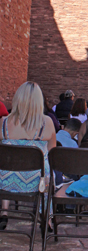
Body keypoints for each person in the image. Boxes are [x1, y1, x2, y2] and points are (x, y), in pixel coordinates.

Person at [0, 81, 56, 230]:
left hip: (4, 181)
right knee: (48, 172)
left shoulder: (4, 123)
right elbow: (52, 151)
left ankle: (4, 212)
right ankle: (46, 217)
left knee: (9, 162)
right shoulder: (47, 122)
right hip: (36, 183)